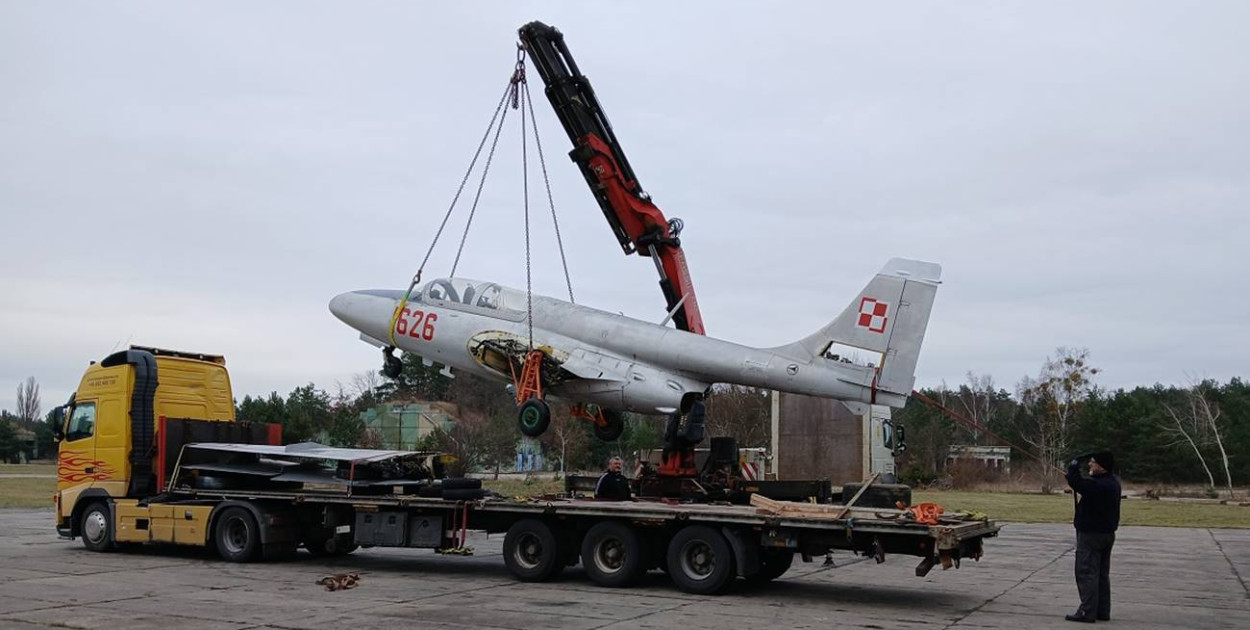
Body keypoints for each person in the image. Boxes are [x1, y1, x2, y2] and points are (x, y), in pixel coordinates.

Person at [1065, 451, 1121, 623]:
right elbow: (1081, 484)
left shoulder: (1100, 486)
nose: (1089, 464)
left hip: (1091, 535)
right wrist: (1075, 473)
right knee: (1101, 575)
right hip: (1106, 535)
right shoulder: (1112, 483)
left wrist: (1073, 467)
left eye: (1092, 462)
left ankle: (1087, 611)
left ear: (1101, 466)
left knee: (1086, 572)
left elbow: (1077, 483)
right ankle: (1102, 611)